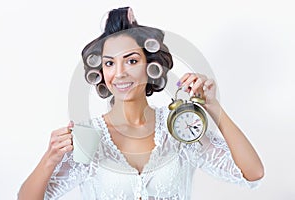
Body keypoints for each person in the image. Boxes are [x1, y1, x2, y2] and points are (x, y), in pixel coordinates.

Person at [18, 6, 264, 200]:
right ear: (102, 72)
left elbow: (252, 173)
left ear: (151, 66)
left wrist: (213, 107)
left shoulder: (177, 130)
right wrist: (50, 158)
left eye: (132, 61)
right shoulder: (88, 137)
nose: (120, 72)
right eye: (110, 63)